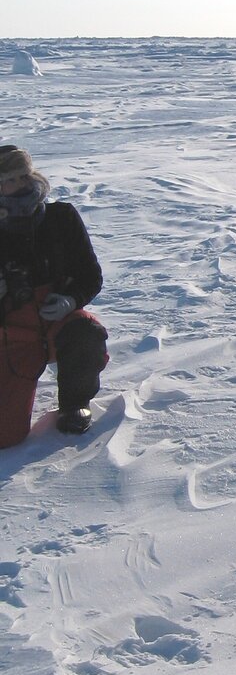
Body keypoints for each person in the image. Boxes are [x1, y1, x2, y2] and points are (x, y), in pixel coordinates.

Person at [0, 145, 108, 448]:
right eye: (8, 179)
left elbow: (90, 276)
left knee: (86, 331)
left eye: (23, 175)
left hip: (57, 321)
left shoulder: (61, 217)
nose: (19, 185)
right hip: (9, 333)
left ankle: (75, 403)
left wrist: (69, 300)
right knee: (5, 437)